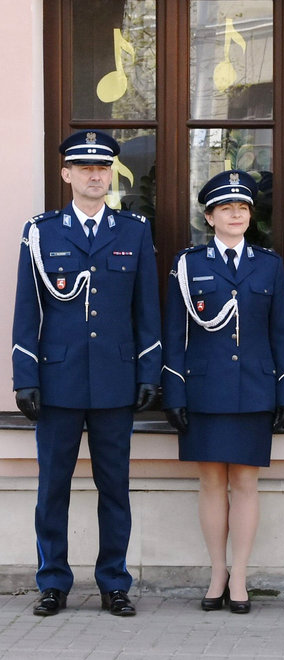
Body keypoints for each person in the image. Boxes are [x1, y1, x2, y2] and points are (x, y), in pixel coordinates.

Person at [12, 129, 161, 617]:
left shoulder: (134, 230)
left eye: (102, 168)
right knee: (52, 486)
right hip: (57, 380)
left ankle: (114, 582)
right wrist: (25, 376)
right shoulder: (41, 232)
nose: (94, 175)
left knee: (114, 487)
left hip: (116, 381)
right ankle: (53, 581)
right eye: (84, 167)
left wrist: (148, 372)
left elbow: (147, 310)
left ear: (111, 174)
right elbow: (26, 309)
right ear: (66, 174)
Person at [161, 170, 284, 614]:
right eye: (226, 208)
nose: (235, 214)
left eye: (242, 207)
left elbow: (282, 333)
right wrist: (174, 395)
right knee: (211, 482)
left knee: (245, 482)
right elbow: (174, 333)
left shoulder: (269, 264)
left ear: (250, 215)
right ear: (210, 216)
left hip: (255, 389)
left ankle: (239, 576)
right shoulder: (189, 265)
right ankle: (216, 571)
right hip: (204, 390)